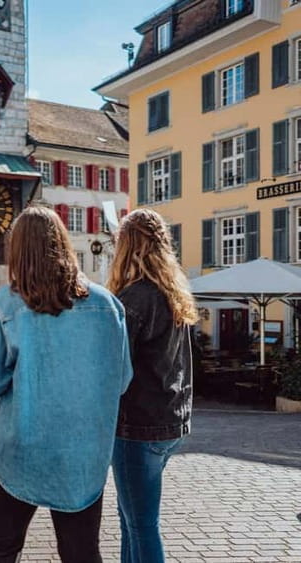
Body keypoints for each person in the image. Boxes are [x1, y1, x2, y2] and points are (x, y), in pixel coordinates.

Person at [0, 205, 133, 563]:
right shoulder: (107, 305)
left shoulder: (8, 302)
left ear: (17, 251)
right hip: (83, 455)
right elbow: (121, 380)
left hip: (21, 450)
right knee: (82, 553)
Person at [107, 208, 198, 563]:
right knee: (131, 519)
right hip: (171, 421)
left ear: (127, 247)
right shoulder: (172, 292)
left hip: (137, 426)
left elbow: (118, 371)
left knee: (141, 523)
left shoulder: (135, 298)